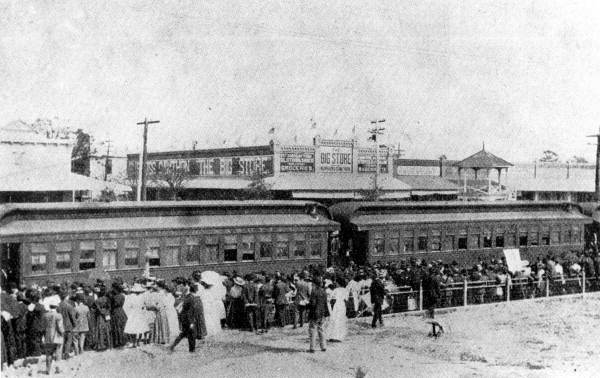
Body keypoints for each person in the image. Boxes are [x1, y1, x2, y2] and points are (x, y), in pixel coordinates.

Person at [169, 284, 202, 352]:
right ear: (196, 290)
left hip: (184, 319)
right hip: (188, 319)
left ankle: (173, 345)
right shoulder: (191, 299)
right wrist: (191, 322)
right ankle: (192, 350)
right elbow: (189, 312)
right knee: (192, 335)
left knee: (183, 333)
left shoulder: (188, 297)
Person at [41, 296, 64, 375]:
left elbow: (43, 327)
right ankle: (58, 369)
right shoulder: (58, 315)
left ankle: (48, 369)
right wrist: (62, 333)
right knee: (58, 354)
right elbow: (60, 327)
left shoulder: (45, 315)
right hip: (57, 336)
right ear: (56, 306)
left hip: (47, 336)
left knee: (48, 354)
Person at [307, 275, 330, 353]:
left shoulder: (314, 291)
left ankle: (312, 347)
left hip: (315, 313)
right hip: (322, 313)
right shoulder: (324, 291)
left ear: (314, 283)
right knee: (321, 330)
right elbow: (325, 303)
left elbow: (313, 303)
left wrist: (308, 304)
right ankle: (323, 346)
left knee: (313, 330)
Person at [123, 283, 149, 348]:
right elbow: (144, 305)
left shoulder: (131, 296)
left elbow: (128, 306)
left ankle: (134, 342)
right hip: (140, 312)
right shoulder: (142, 296)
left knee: (133, 328)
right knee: (140, 328)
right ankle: (138, 342)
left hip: (133, 313)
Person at [326, 278, 349, 342]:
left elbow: (330, 298)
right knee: (340, 320)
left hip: (337, 305)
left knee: (335, 319)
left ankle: (333, 335)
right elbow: (346, 300)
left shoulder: (336, 290)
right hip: (342, 305)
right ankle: (339, 336)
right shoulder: (346, 290)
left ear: (339, 283)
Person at [109, 283, 128, 348]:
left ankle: (118, 342)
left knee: (116, 327)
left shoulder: (115, 297)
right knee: (122, 327)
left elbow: (114, 305)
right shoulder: (122, 296)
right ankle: (123, 341)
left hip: (116, 312)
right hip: (121, 311)